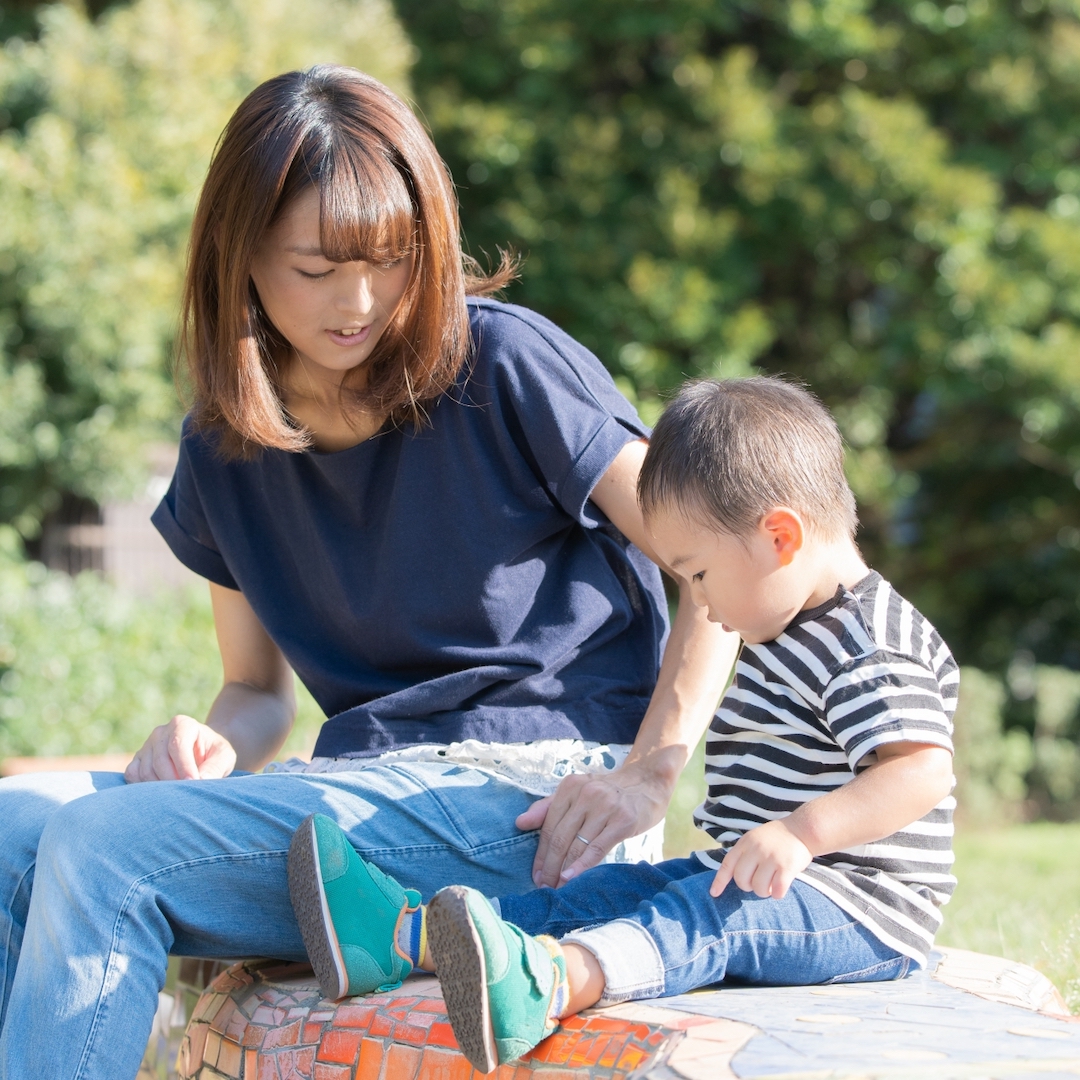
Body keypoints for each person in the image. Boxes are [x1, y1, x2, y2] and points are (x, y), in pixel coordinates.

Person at [0, 67, 736, 1080]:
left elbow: (720, 562)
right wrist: (208, 743)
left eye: (390, 261)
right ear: (241, 256)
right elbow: (256, 695)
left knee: (104, 846)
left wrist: (651, 768)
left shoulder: (509, 365)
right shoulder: (225, 446)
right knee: (14, 831)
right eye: (313, 269)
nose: (359, 303)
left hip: (531, 805)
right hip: (358, 801)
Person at [289, 376, 959, 1074]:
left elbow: (920, 769)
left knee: (697, 920)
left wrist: (801, 833)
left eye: (698, 575)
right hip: (766, 878)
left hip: (861, 908)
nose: (696, 600)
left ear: (779, 537)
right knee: (614, 892)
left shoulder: (869, 644)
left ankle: (549, 983)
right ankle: (401, 938)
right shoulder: (785, 621)